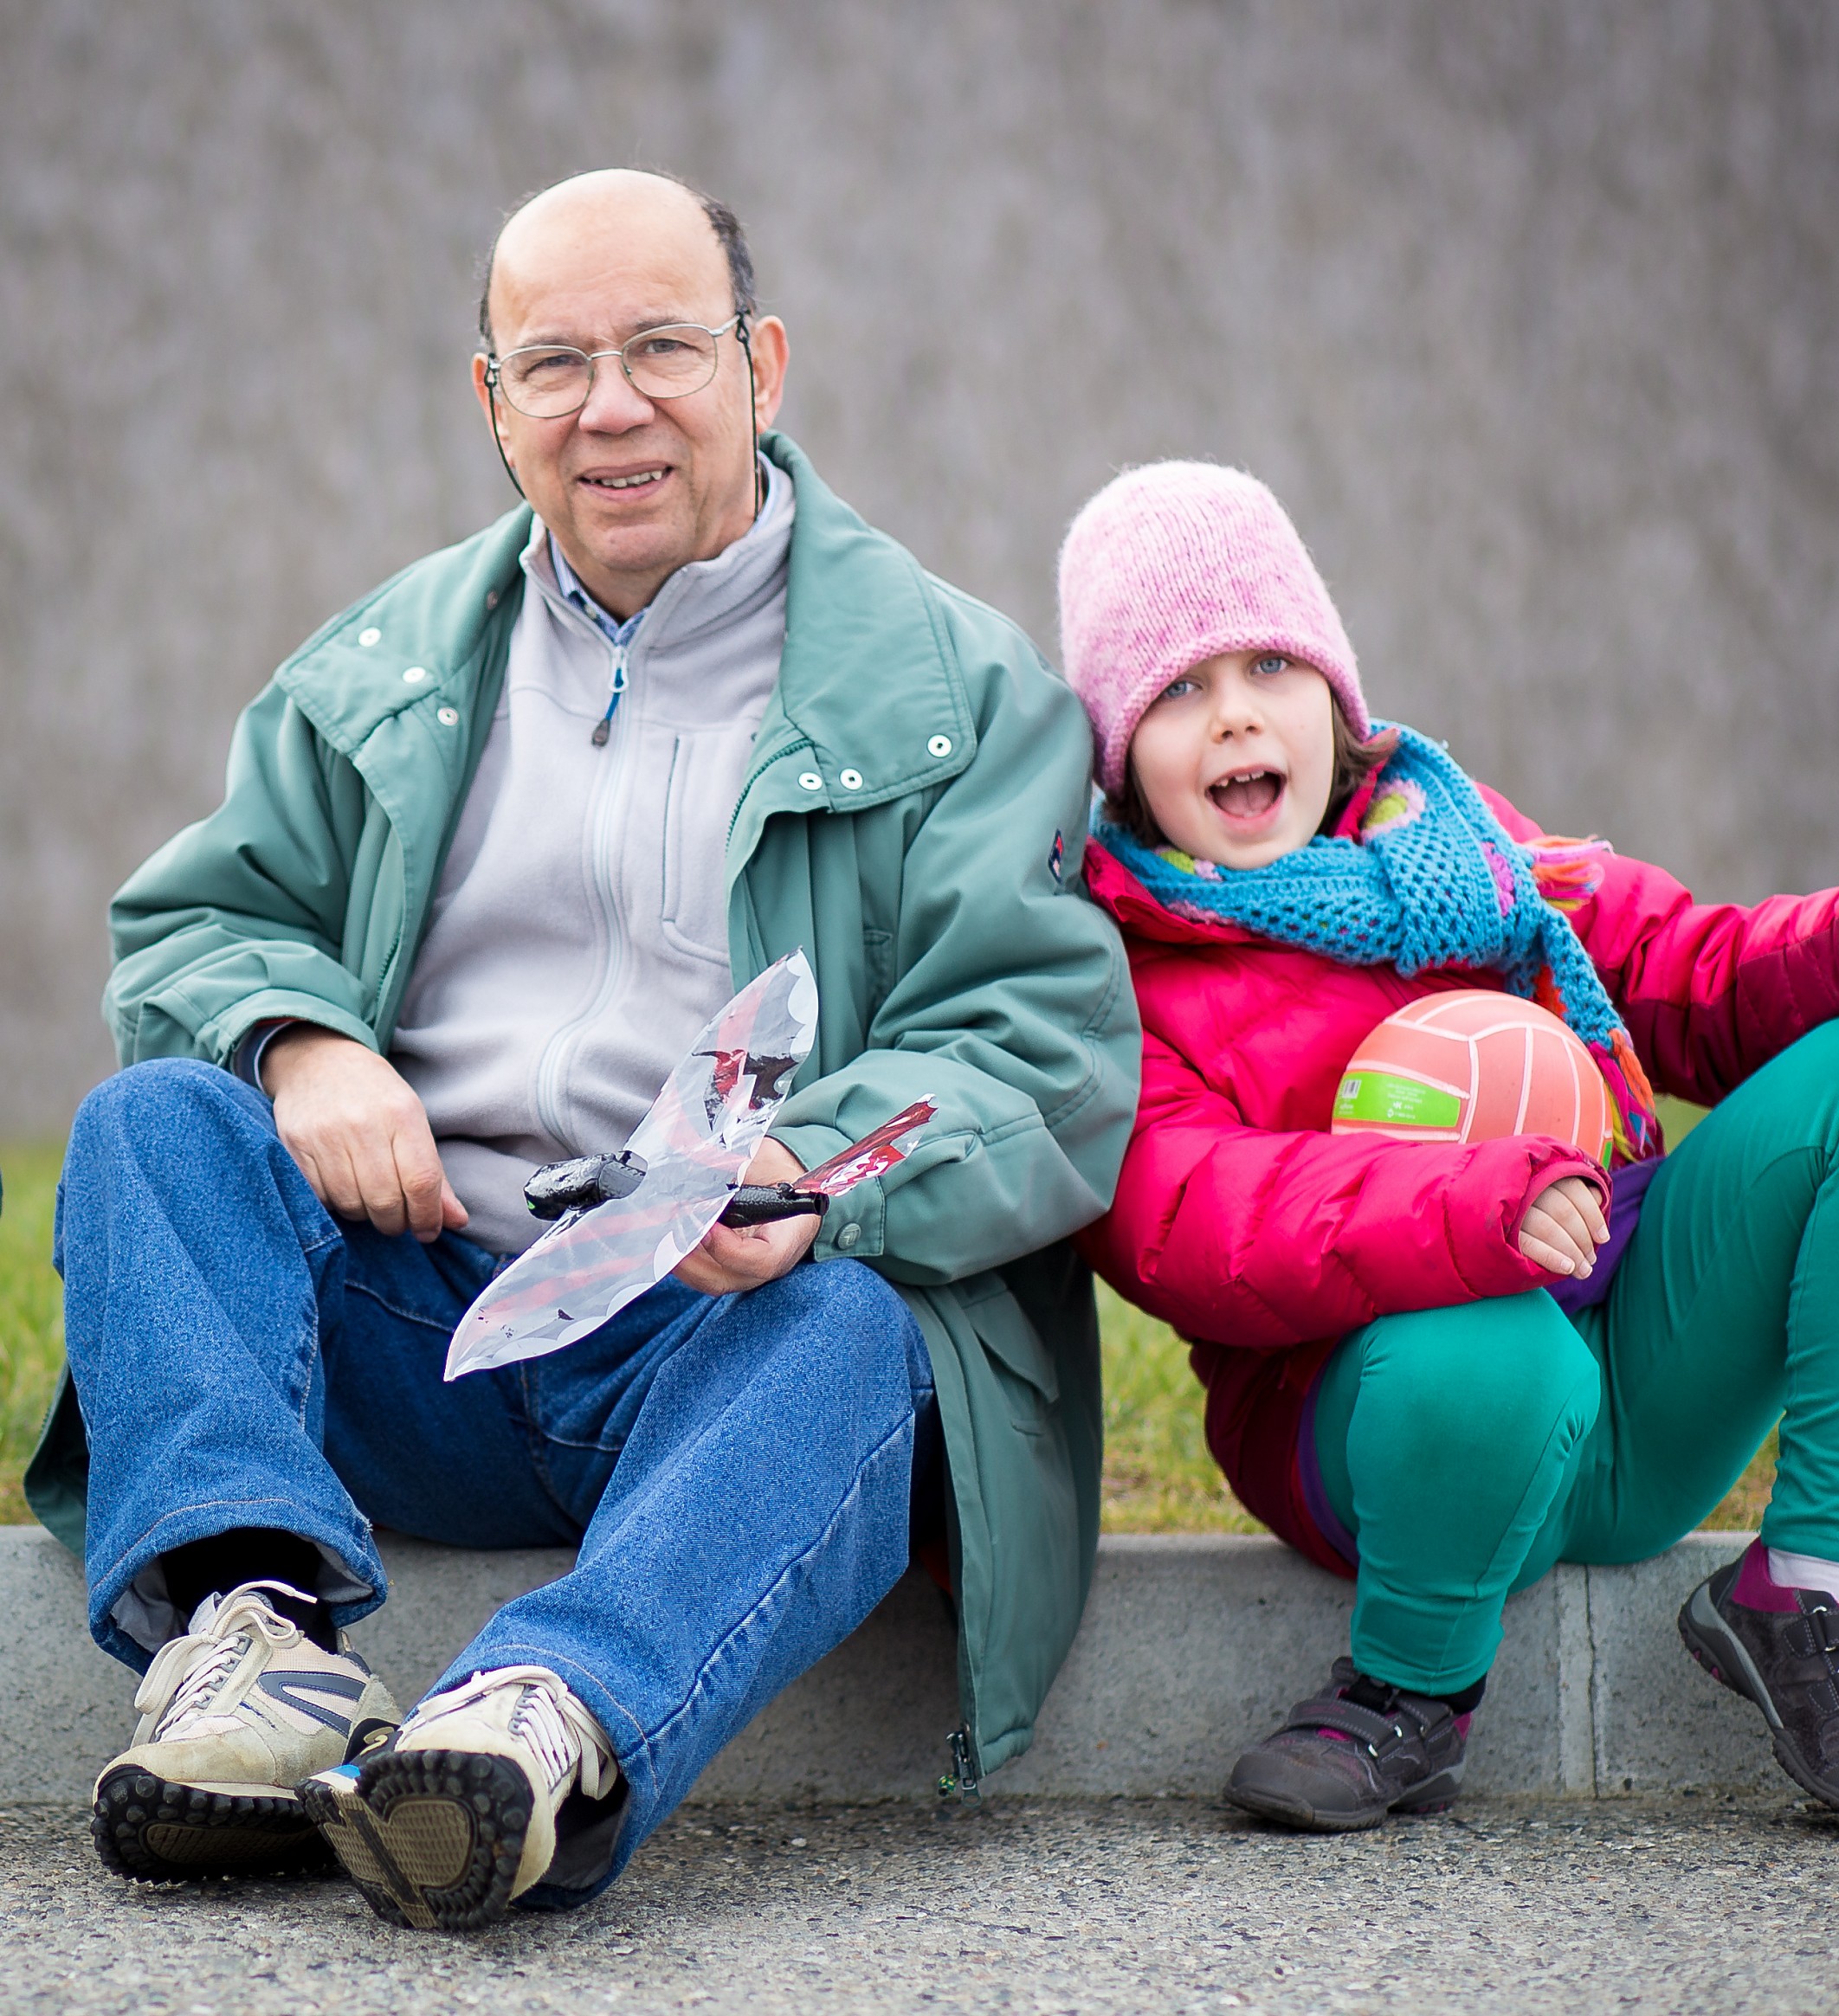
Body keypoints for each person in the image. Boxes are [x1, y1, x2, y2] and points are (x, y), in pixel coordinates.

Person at [26, 169, 1136, 1929]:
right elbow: (194, 930)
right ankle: (258, 1650)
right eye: (553, 364)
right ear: (493, 402)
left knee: (862, 1329)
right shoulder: (381, 668)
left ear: (763, 367)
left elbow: (1041, 1046)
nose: (610, 407)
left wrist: (808, 1171)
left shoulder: (957, 693)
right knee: (154, 1124)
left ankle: (531, 1726)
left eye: (663, 349)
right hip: (411, 1315)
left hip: (710, 1338)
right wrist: (303, 1044)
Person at [1056, 461, 1839, 1838]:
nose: (1235, 712)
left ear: (1333, 692)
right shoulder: (1126, 972)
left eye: (1270, 662)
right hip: (1388, 1419)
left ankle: (1812, 1585)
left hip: (1631, 1377)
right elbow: (1196, 1221)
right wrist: (1467, 1210)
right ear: (1119, 754)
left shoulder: (1462, 845)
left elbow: (1679, 965)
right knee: (1488, 1338)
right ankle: (1410, 1689)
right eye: (1176, 688)